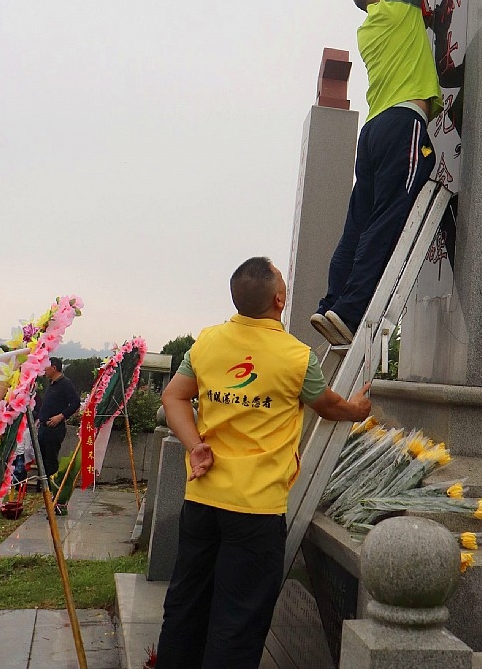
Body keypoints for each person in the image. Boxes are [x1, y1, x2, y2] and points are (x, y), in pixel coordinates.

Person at [155, 256, 371, 669]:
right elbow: (328, 406)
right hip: (255, 510)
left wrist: (195, 445)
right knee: (237, 621)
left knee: (186, 605)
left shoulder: (207, 342)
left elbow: (173, 396)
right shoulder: (297, 357)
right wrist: (357, 410)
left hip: (202, 498)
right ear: (279, 300)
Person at [312, 0, 445, 345]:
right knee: (388, 217)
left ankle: (331, 304)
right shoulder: (397, 0)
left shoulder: (370, 27)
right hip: (403, 123)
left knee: (358, 222)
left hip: (373, 131)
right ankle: (351, 311)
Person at [36, 357, 80, 489]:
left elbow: (75, 402)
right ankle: (42, 487)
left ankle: (51, 488)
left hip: (54, 428)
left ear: (54, 368)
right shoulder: (51, 384)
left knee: (50, 459)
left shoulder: (65, 384)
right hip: (43, 427)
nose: (44, 369)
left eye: (46, 366)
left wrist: (61, 416)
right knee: (41, 459)